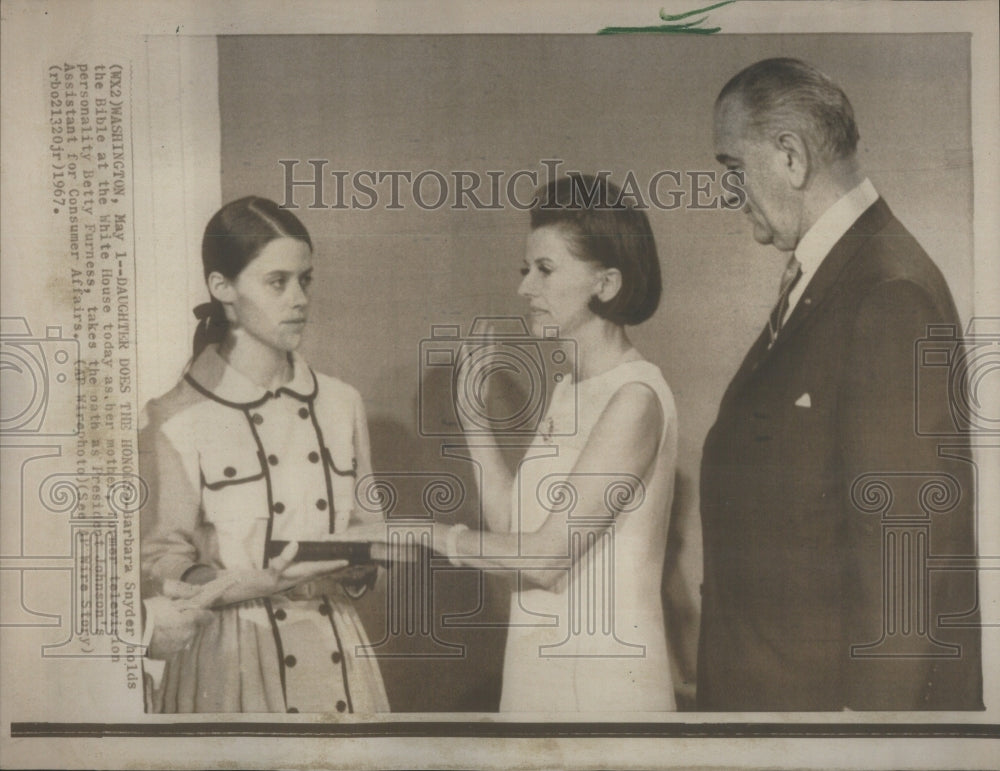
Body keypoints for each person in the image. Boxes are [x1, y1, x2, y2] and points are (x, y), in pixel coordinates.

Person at [698, 58, 982, 710]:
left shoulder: (888, 291)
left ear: (791, 157)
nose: (728, 191)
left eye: (731, 169)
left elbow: (904, 566)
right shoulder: (842, 276)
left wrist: (868, 742)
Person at [338, 174, 678, 712]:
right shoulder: (571, 391)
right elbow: (513, 535)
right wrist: (475, 420)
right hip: (540, 665)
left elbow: (544, 560)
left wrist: (419, 530)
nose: (525, 288)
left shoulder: (635, 399)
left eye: (545, 269)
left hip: (605, 681)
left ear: (606, 283)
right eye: (526, 270)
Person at [139, 196, 389, 713]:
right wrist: (240, 583)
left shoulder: (342, 403)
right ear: (222, 288)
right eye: (277, 282)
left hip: (336, 654)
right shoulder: (176, 416)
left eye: (306, 280)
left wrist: (362, 563)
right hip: (231, 661)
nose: (299, 298)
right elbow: (161, 560)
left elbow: (372, 530)